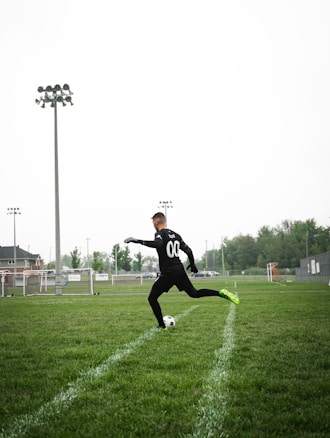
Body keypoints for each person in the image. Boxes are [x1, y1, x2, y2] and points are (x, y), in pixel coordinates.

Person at [124, 212, 239, 329]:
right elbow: (188, 250)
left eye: (153, 223)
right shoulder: (177, 235)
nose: (153, 225)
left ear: (157, 222)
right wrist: (192, 264)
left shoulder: (160, 234)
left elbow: (158, 244)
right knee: (194, 293)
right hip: (179, 270)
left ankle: (161, 325)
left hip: (168, 273)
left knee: (152, 298)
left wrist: (137, 241)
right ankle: (220, 293)